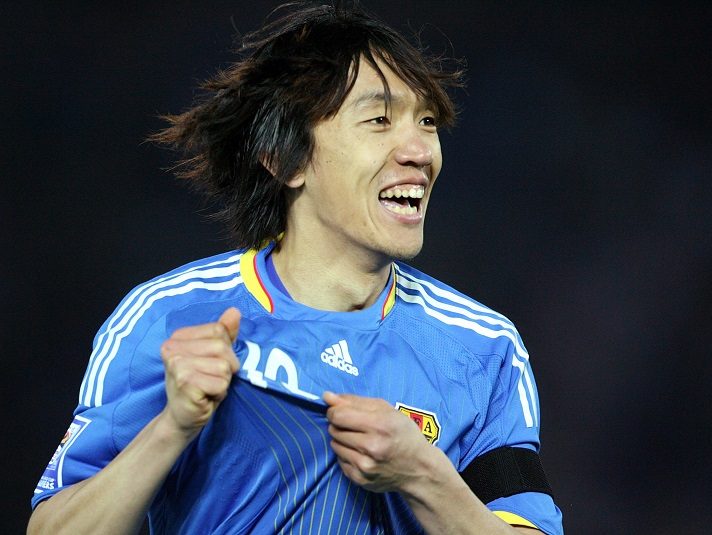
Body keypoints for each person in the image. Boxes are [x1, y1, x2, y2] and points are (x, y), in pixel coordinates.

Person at [28, 3, 563, 534]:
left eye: (427, 121)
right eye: (379, 120)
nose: (420, 151)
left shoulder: (483, 349)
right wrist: (171, 427)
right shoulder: (169, 317)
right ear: (285, 158)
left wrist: (425, 476)